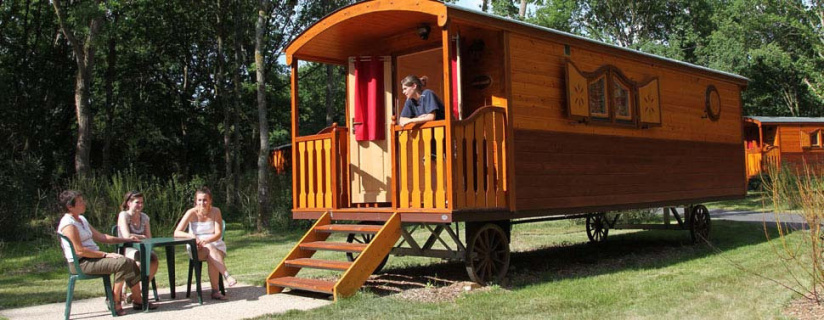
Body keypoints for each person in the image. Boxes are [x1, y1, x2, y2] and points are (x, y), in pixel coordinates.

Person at [56, 190, 155, 315]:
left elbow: (102, 237)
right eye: (80, 202)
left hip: (93, 258)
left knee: (130, 263)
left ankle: (138, 300)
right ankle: (114, 299)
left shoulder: (81, 219)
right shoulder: (68, 224)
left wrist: (126, 239)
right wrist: (105, 254)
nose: (84, 203)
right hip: (81, 263)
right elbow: (79, 250)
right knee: (123, 262)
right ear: (70, 206)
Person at [174, 187, 236, 300]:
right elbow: (177, 232)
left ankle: (215, 291)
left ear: (210, 200)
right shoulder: (191, 213)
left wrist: (207, 241)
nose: (202, 203)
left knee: (211, 251)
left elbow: (218, 233)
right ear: (195, 201)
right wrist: (192, 236)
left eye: (205, 200)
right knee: (209, 251)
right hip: (196, 248)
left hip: (215, 245)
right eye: (199, 200)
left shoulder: (216, 211)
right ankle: (225, 276)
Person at [116, 191, 159, 302]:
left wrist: (139, 236)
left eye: (142, 202)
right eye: (137, 202)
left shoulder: (144, 217)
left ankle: (138, 293)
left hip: (142, 248)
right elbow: (126, 236)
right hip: (126, 248)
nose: (140, 205)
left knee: (153, 259)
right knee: (138, 262)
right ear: (129, 203)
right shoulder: (124, 215)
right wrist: (141, 236)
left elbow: (149, 237)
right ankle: (129, 292)